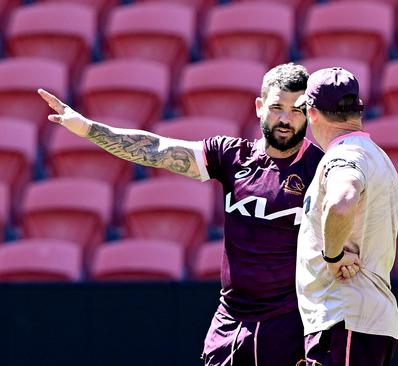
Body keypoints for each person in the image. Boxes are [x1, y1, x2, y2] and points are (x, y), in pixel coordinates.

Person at [38, 63, 324, 366]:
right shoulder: (231, 156)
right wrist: (87, 128)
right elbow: (158, 149)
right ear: (259, 107)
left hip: (290, 324)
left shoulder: (323, 167)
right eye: (277, 107)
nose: (285, 119)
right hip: (230, 322)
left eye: (297, 110)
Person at [294, 67, 398, 366]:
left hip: (344, 317)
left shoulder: (344, 155)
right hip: (357, 320)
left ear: (312, 113)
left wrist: (333, 255)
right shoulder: (374, 154)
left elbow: (342, 201)